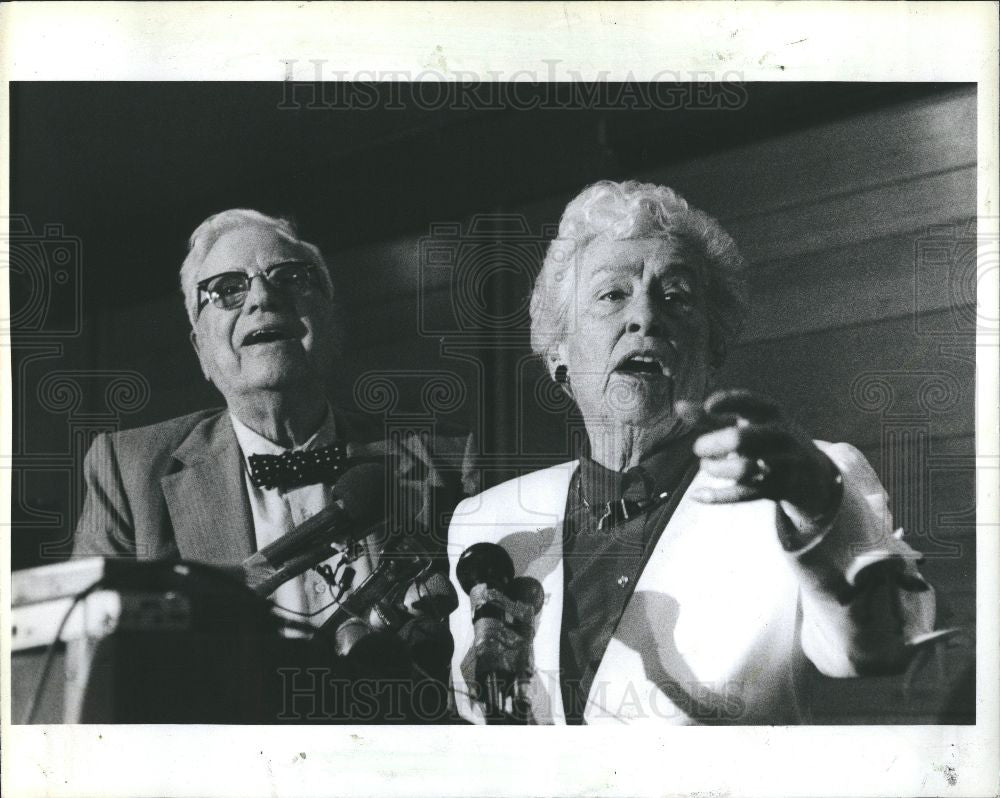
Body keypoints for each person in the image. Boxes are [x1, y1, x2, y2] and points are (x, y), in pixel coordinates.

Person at [448, 180, 944, 725]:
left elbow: (884, 651)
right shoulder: (486, 521)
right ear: (559, 356)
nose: (645, 318)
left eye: (676, 297)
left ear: (712, 351)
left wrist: (821, 509)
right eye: (612, 294)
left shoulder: (809, 489)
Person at [74, 209, 475, 630]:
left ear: (333, 325)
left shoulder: (445, 461)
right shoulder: (125, 474)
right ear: (200, 351)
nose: (262, 298)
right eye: (227, 289)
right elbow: (90, 657)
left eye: (290, 277)